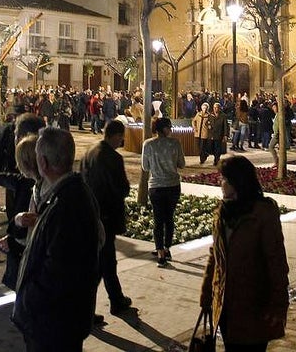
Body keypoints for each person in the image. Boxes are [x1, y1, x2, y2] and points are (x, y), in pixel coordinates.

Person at [11, 127, 101, 351]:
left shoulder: (67, 203)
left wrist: (27, 301)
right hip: (59, 320)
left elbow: (57, 272)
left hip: (53, 323)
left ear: (42, 162)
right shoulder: (66, 195)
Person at [199, 154, 289, 351]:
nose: (220, 183)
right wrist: (207, 292)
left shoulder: (263, 213)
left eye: (224, 179)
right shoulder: (222, 211)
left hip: (253, 303)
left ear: (237, 183)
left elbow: (276, 261)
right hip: (224, 302)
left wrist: (278, 305)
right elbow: (215, 254)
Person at [80, 119, 135, 317]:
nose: (122, 141)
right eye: (122, 137)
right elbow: (121, 188)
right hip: (107, 214)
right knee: (104, 262)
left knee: (104, 261)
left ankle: (116, 299)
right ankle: (88, 308)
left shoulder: (89, 152)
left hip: (91, 213)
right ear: (117, 135)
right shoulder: (112, 158)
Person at [0, 134, 39, 289]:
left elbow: (30, 229)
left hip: (29, 265)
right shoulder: (32, 183)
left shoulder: (34, 188)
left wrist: (11, 240)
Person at [141, 116, 185, 266]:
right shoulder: (175, 143)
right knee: (169, 218)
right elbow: (182, 164)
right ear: (164, 129)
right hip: (173, 185)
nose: (171, 130)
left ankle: (160, 253)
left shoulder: (148, 144)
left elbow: (145, 167)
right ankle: (167, 248)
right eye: (169, 127)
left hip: (156, 186)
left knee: (158, 219)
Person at [209, 103, 230, 167]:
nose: (215, 109)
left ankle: (217, 160)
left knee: (217, 148)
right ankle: (216, 158)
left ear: (219, 108)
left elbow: (225, 126)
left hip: (219, 134)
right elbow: (208, 122)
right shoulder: (211, 115)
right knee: (212, 148)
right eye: (214, 107)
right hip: (212, 134)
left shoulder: (223, 116)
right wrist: (208, 125)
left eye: (216, 107)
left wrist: (225, 135)